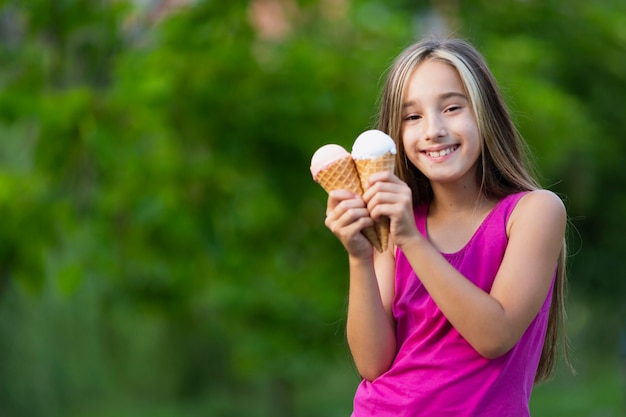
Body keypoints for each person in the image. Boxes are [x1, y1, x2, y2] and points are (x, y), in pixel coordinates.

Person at [323, 37, 571, 416]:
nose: (433, 130)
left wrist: (411, 239)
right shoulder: (396, 223)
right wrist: (359, 256)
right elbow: (372, 364)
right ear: (397, 135)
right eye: (413, 116)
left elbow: (495, 335)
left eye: (452, 107)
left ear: (484, 112)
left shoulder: (533, 212)